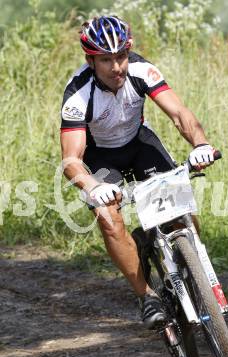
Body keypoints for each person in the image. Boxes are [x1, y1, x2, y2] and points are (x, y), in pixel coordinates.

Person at [60, 16, 215, 329]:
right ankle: (146, 296)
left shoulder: (141, 71)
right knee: (107, 215)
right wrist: (91, 187)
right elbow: (71, 159)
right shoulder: (77, 95)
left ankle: (193, 271)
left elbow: (180, 114)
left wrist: (200, 143)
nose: (117, 67)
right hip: (102, 155)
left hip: (139, 141)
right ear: (90, 60)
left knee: (179, 206)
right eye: (106, 60)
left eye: (121, 56)